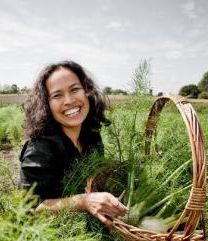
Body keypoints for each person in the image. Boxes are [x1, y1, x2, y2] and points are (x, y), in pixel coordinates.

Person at [19, 61, 128, 226]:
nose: (69, 100)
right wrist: (84, 201)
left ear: (87, 92)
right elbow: (31, 210)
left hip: (87, 226)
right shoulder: (39, 149)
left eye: (75, 89)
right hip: (50, 236)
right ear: (46, 105)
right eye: (57, 95)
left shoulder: (92, 136)